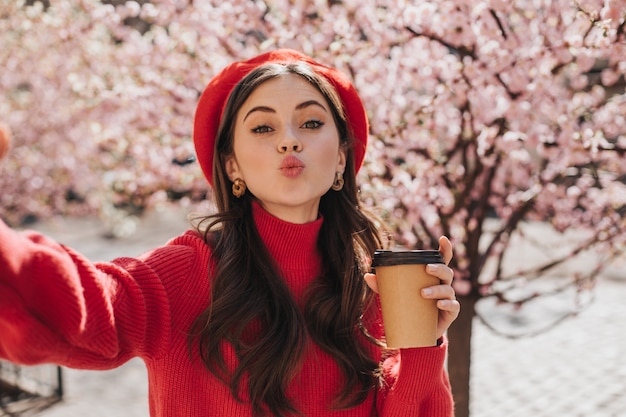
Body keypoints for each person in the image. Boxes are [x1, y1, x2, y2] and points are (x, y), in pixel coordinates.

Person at [0, 49, 460, 416]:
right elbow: (88, 307)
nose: (289, 139)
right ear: (231, 165)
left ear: (342, 156)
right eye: (263, 126)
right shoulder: (188, 269)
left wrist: (421, 344)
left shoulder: (374, 286)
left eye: (312, 122)